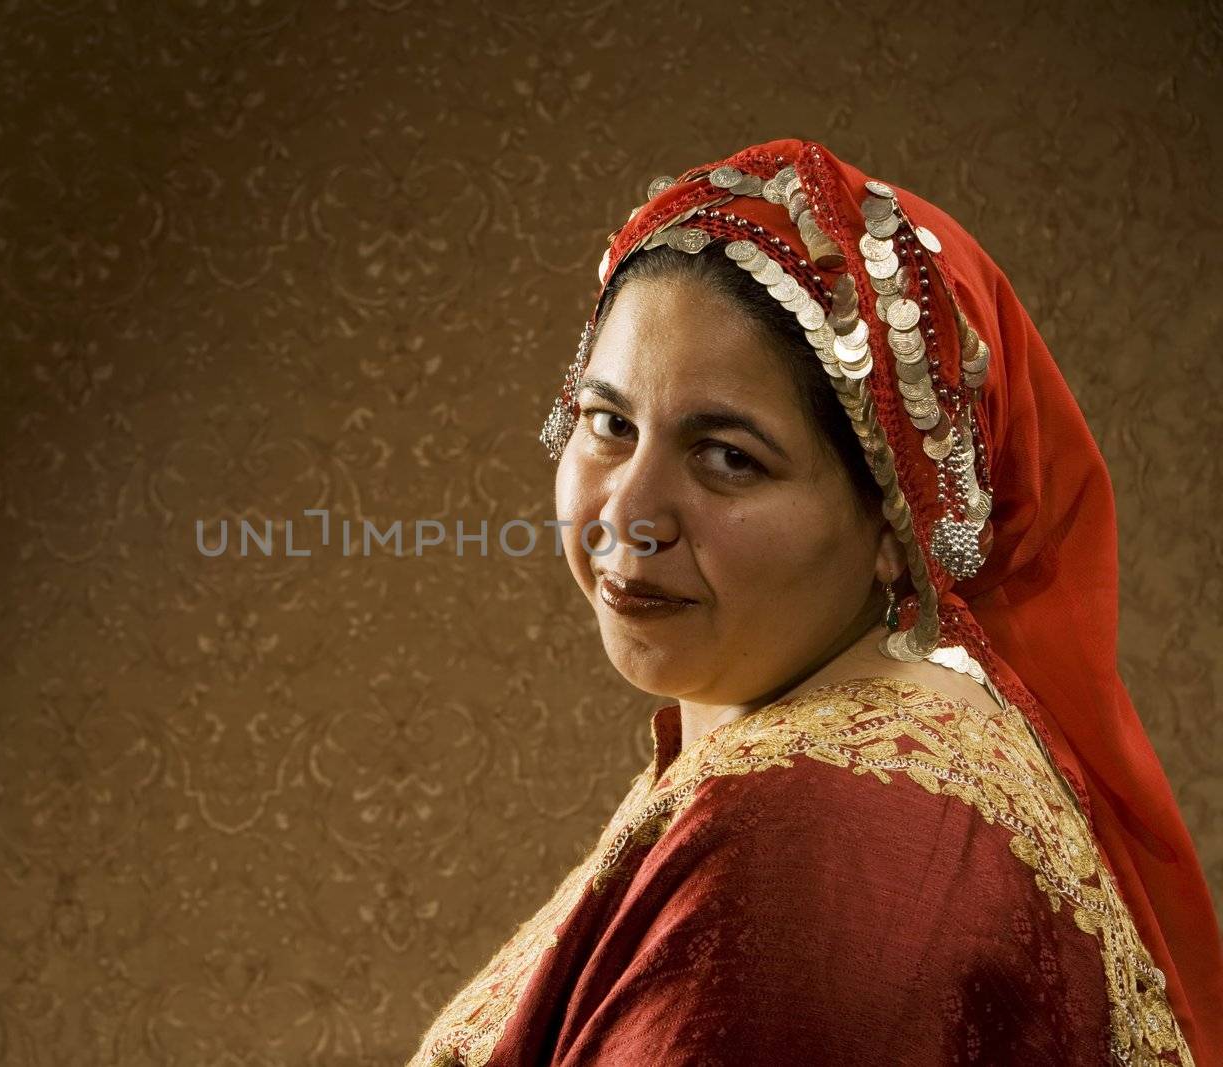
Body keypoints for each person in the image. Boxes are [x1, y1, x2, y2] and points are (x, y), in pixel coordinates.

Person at [406, 138, 1223, 1066]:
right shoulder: (862, 757)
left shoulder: (804, 840)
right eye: (610, 424)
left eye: (728, 457)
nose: (628, 514)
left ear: (892, 520)